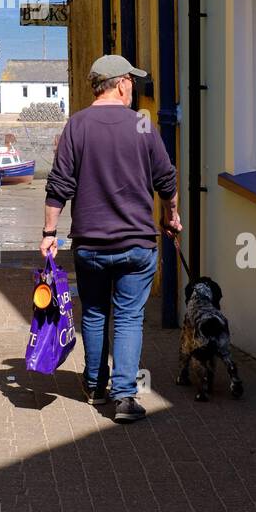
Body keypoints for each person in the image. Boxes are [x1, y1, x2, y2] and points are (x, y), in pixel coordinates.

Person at [41, 55, 181, 423]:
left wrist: (49, 232)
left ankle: (95, 385)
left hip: (90, 245)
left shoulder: (77, 126)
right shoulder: (142, 125)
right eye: (131, 82)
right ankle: (124, 397)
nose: (133, 88)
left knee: (95, 310)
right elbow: (166, 180)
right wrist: (171, 216)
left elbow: (59, 185)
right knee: (130, 317)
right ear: (120, 84)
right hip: (136, 243)